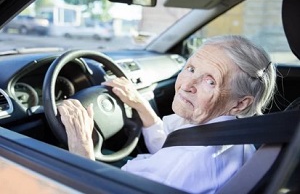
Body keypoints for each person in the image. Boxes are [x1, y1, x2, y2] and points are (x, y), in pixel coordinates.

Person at [57, 35, 276, 193]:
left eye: (211, 81)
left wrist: (82, 152)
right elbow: (169, 149)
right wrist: (141, 105)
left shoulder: (190, 163)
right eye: (190, 69)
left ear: (240, 104)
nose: (186, 85)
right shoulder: (231, 134)